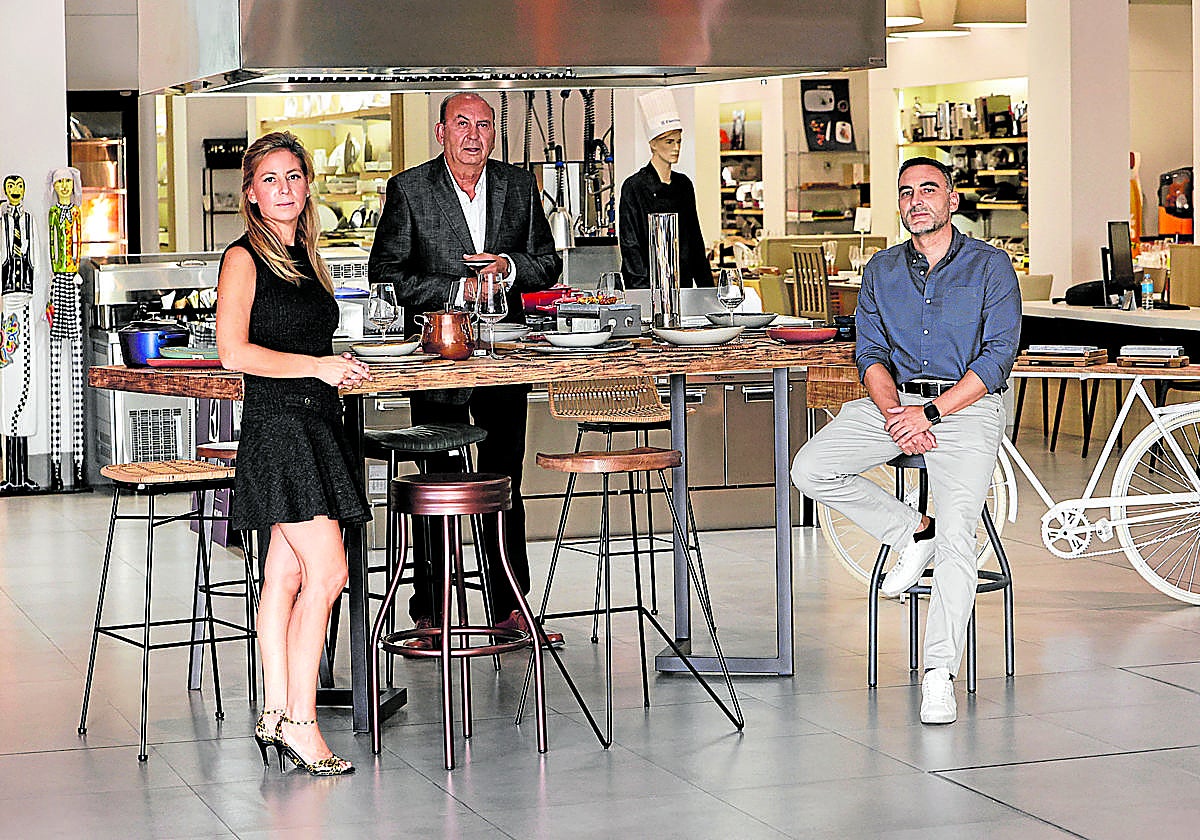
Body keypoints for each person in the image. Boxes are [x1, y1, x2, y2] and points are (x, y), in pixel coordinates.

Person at [790, 156, 1020, 725]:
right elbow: (868, 352)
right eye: (906, 192)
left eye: (928, 190)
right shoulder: (882, 270)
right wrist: (896, 412)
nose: (916, 200)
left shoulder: (992, 267)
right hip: (892, 403)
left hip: (963, 407)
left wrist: (930, 414)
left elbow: (997, 358)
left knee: (962, 534)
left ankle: (939, 672)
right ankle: (913, 532)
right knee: (811, 468)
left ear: (952, 201)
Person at [369, 92, 562, 646]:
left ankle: (511, 609)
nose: (473, 135)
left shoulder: (519, 187)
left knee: (505, 480)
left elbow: (548, 265)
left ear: (494, 134)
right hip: (438, 356)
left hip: (506, 356)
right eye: (462, 124)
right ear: (441, 132)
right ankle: (431, 613)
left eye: (483, 125)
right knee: (439, 484)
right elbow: (387, 273)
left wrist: (508, 268)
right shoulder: (410, 189)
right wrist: (456, 288)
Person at [216, 131, 371, 776]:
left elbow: (306, 338)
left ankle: (275, 708)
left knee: (284, 576)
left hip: (315, 424)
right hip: (280, 429)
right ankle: (304, 725)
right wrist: (318, 366)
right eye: (270, 179)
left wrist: (341, 365)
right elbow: (235, 354)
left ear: (307, 185)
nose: (285, 188)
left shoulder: (305, 256)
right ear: (251, 193)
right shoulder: (244, 258)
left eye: (294, 176)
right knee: (330, 573)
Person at [618, 90, 713, 289]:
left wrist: (708, 291)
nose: (676, 148)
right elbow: (630, 245)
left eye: (679, 141)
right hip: (645, 286)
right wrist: (643, 290)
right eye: (669, 142)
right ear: (653, 144)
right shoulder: (634, 186)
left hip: (682, 285)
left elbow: (694, 239)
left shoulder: (683, 185)